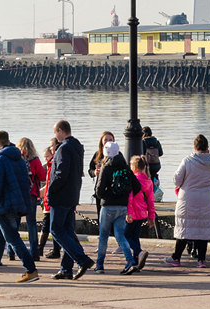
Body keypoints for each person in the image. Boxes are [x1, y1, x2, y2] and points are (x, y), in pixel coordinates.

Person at [0, 130, 39, 282]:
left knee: (12, 238)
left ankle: (31, 269)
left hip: (3, 205)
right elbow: (26, 182)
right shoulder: (19, 158)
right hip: (17, 203)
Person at [165, 135, 210, 268]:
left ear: (194, 147)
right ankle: (201, 260)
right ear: (207, 147)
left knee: (185, 229)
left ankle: (176, 257)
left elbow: (177, 180)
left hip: (188, 199)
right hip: (206, 199)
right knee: (203, 229)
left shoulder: (187, 161)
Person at [48, 120, 94, 280]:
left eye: (55, 132)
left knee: (55, 229)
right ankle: (66, 269)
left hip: (60, 196)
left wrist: (50, 190)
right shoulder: (77, 147)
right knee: (67, 231)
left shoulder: (64, 148)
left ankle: (82, 259)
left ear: (60, 131)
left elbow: (60, 173)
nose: (55, 136)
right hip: (72, 194)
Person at [93, 142, 140, 275]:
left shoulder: (106, 167)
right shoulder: (125, 167)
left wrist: (109, 195)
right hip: (123, 207)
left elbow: (99, 191)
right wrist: (124, 196)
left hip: (108, 207)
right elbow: (137, 187)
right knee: (120, 236)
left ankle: (100, 265)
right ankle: (130, 261)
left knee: (103, 237)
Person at [125, 155, 156, 272]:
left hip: (133, 213)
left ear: (134, 167)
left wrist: (128, 213)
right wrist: (151, 217)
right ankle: (136, 261)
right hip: (142, 214)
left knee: (125, 236)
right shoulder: (148, 181)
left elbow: (130, 199)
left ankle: (139, 252)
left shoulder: (133, 180)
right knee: (135, 236)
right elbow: (151, 201)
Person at [18, 137, 46, 261]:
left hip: (18, 194)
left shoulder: (16, 159)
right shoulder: (35, 160)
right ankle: (34, 252)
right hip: (31, 194)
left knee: (14, 223)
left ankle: (12, 251)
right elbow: (42, 176)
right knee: (31, 224)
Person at [141, 126, 163, 198]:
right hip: (157, 165)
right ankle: (155, 191)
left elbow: (141, 153)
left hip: (147, 165)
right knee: (153, 176)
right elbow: (160, 153)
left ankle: (149, 195)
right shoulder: (157, 142)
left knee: (147, 179)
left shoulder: (143, 142)